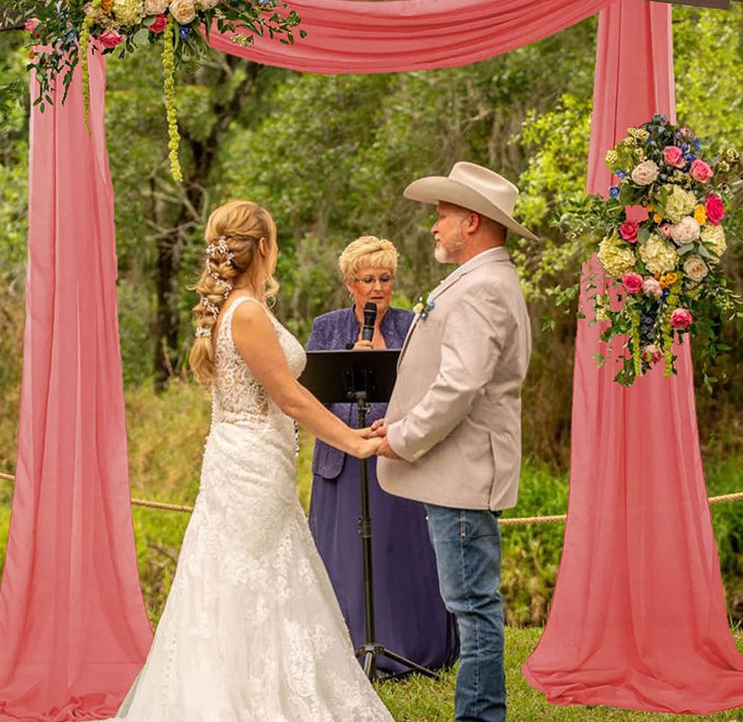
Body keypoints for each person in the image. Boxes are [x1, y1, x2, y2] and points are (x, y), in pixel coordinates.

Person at [94, 200, 393, 722]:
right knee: (257, 579)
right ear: (262, 247)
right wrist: (354, 441)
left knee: (245, 577)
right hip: (251, 463)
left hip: (246, 456)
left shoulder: (234, 306)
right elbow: (291, 398)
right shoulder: (247, 312)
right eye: (274, 243)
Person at [373, 162, 538, 722]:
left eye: (442, 216)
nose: (434, 227)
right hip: (457, 467)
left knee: (473, 606)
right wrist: (394, 424)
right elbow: (442, 378)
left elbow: (459, 385)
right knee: (470, 602)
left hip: (464, 472)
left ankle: (480, 716)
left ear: (472, 220)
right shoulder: (479, 279)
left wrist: (406, 439)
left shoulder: (483, 288)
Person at [307, 235, 458, 675]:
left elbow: (430, 392)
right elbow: (311, 396)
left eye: (385, 278)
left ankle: (409, 647)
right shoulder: (326, 327)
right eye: (367, 279)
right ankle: (345, 650)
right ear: (349, 283)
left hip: (396, 453)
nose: (377, 287)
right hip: (342, 458)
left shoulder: (413, 325)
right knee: (344, 556)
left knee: (397, 552)